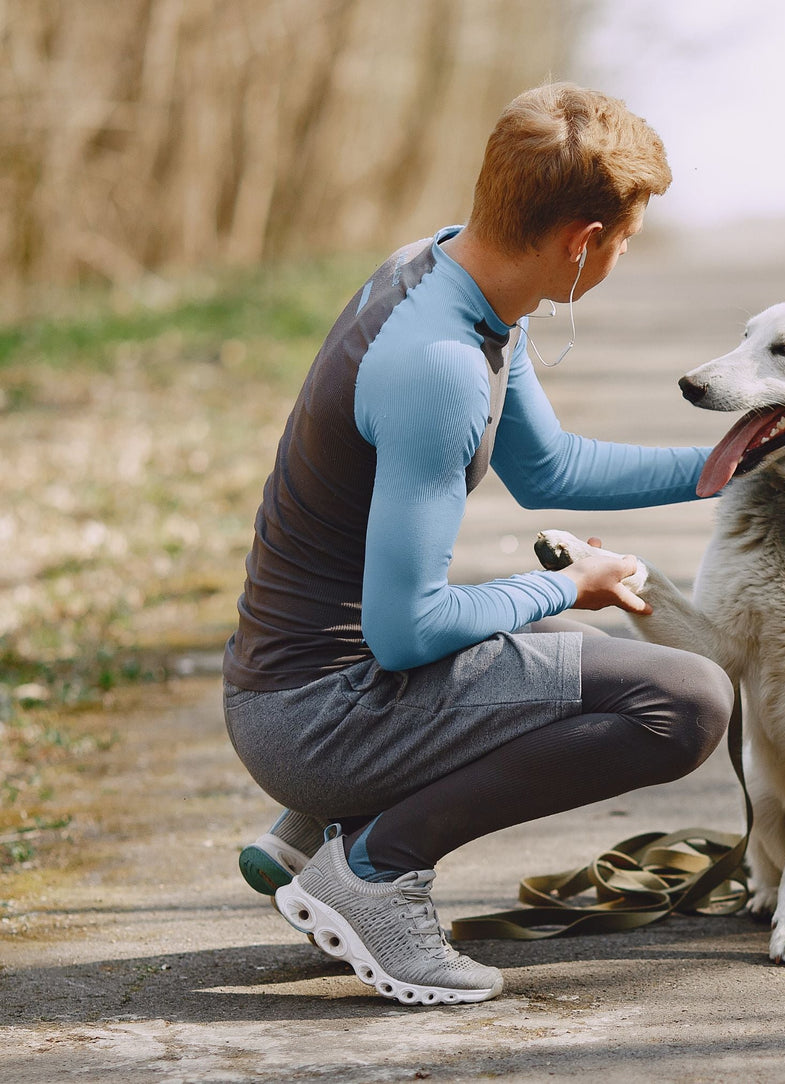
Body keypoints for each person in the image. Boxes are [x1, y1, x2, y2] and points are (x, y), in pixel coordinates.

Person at [221, 83, 733, 1006]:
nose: (623, 254)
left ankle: (307, 834)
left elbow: (551, 470)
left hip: (293, 684)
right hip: (314, 713)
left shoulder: (449, 276)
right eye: (626, 239)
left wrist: (722, 465)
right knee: (683, 700)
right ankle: (375, 870)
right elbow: (406, 632)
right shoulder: (441, 369)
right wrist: (565, 583)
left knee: (581, 660)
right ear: (582, 239)